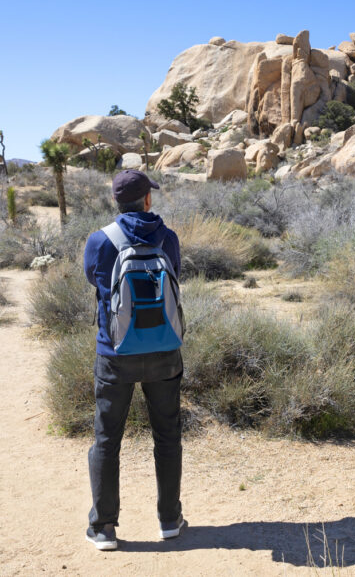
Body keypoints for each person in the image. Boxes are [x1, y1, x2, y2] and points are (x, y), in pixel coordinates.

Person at [83, 169, 185, 550]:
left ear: (116, 200)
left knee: (107, 440)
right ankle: (169, 519)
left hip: (115, 353)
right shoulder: (168, 238)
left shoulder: (100, 240)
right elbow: (176, 274)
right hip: (164, 351)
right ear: (147, 200)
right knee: (168, 436)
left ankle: (104, 527)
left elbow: (95, 281)